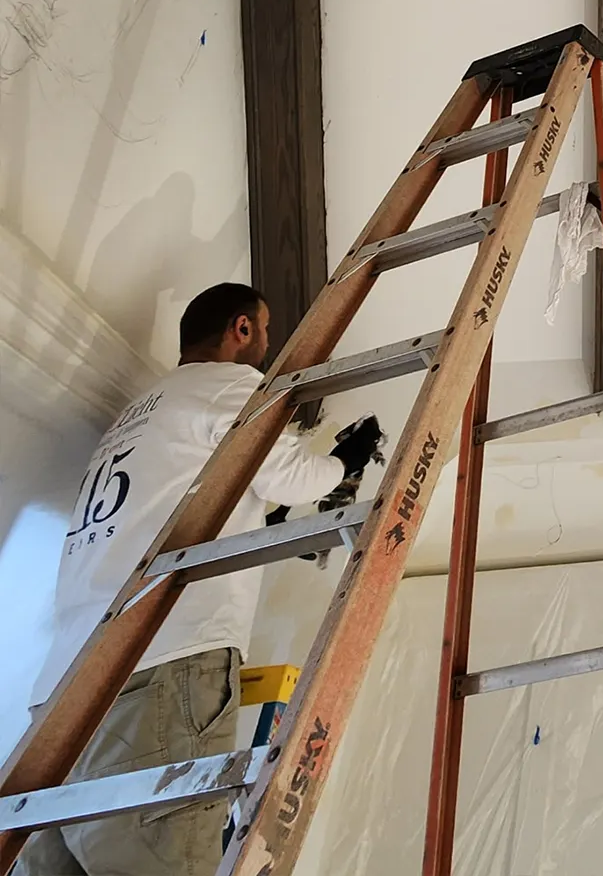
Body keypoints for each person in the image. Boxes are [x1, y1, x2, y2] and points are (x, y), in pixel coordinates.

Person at [23, 283, 383, 876]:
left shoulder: (141, 414)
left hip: (63, 692)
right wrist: (347, 461)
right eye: (264, 331)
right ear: (241, 330)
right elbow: (293, 476)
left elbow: (193, 507)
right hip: (160, 665)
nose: (266, 346)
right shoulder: (230, 385)